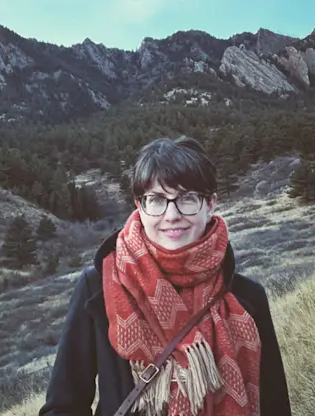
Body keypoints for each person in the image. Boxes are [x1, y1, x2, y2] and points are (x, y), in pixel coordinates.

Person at [39, 136, 291, 416]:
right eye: (157, 200)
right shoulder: (99, 286)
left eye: (188, 198)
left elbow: (275, 406)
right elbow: (63, 406)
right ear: (139, 205)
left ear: (210, 205)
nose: (171, 215)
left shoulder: (247, 297)